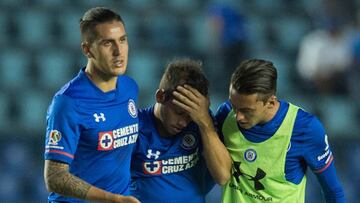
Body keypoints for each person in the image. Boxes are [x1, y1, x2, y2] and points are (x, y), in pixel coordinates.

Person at [44, 7, 140, 203]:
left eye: (122, 40)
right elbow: (54, 177)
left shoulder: (130, 88)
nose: (118, 51)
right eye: (107, 43)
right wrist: (113, 199)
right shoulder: (68, 102)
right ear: (87, 49)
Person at [216, 59, 345, 202]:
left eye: (247, 111)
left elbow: (333, 191)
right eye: (234, 106)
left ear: (270, 102)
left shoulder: (304, 128)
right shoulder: (225, 115)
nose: (238, 117)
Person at [130, 58, 231, 203]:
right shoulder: (135, 128)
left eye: (190, 116)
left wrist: (205, 123)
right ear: (160, 96)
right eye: (179, 113)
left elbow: (222, 176)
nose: (184, 123)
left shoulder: (200, 121)